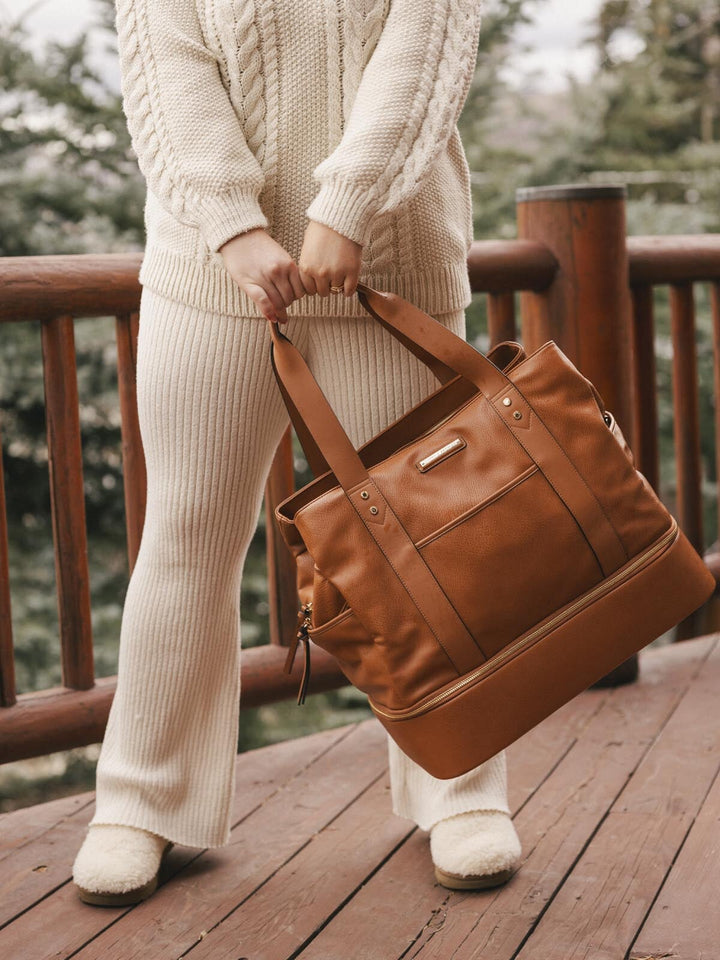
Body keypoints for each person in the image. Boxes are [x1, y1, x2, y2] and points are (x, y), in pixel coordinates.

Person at [71, 0, 522, 905]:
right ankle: (137, 803)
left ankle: (463, 791)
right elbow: (169, 73)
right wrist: (234, 227)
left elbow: (424, 55)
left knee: (427, 535)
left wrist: (347, 207)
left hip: (388, 265)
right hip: (208, 276)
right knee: (186, 535)